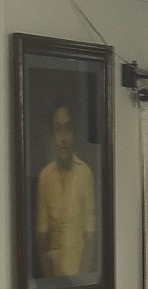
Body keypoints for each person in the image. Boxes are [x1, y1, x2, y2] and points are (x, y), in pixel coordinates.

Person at [31, 105, 97, 278]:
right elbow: (42, 235)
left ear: (74, 134)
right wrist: (50, 283)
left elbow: (90, 234)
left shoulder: (84, 173)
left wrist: (81, 281)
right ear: (52, 136)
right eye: (58, 130)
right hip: (54, 277)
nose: (63, 138)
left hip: (80, 274)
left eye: (67, 129)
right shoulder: (45, 177)